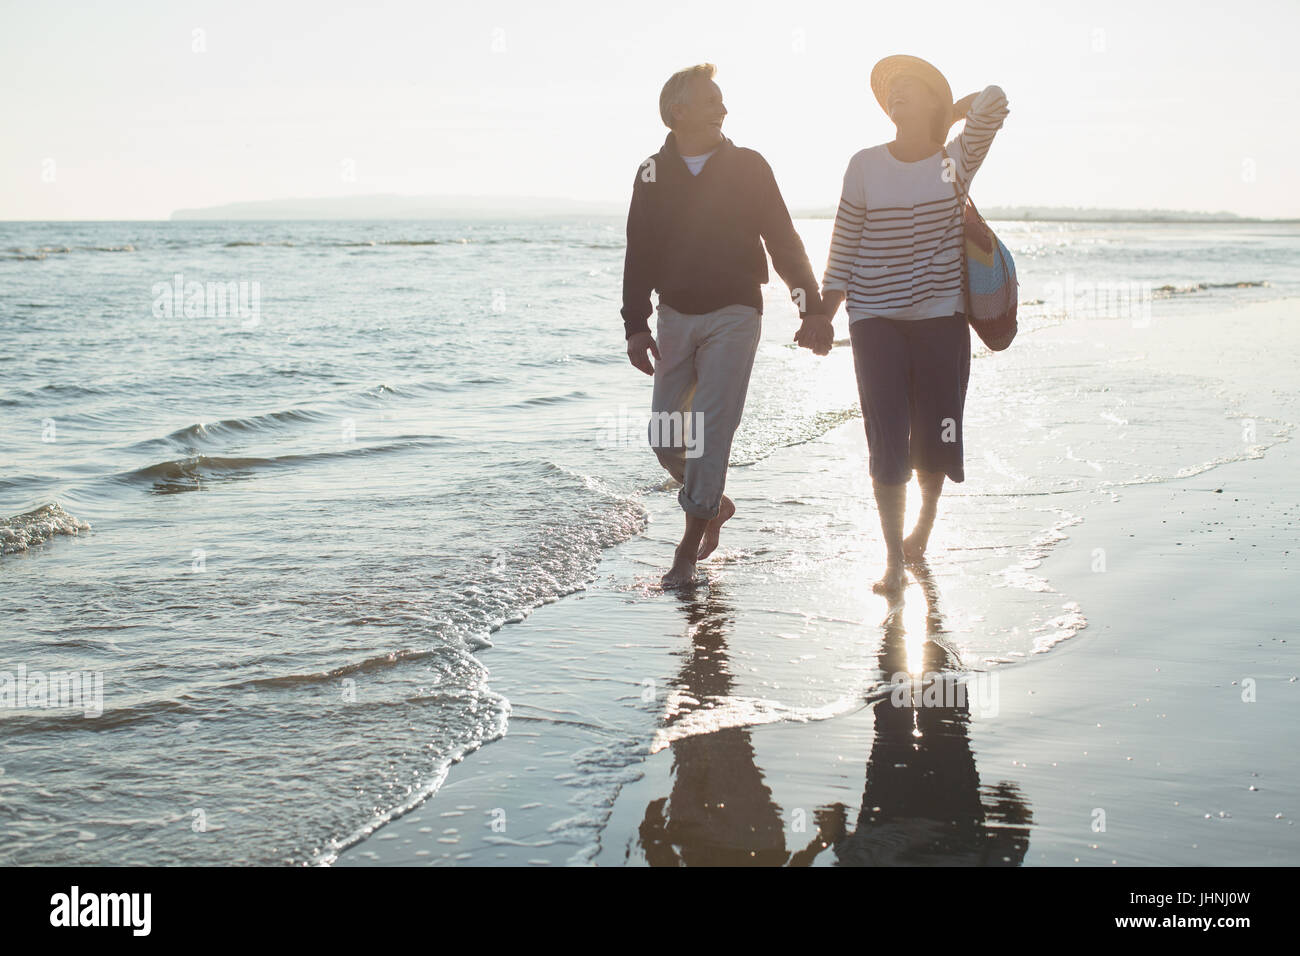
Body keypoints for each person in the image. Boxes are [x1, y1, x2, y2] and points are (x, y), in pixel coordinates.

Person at [622, 63, 833, 588]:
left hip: (736, 313)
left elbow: (783, 240)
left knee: (711, 432)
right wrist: (634, 323)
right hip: (673, 314)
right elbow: (639, 253)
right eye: (712, 99)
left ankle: (686, 554)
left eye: (722, 99)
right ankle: (712, 505)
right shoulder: (651, 172)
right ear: (679, 110)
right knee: (665, 437)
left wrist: (811, 308)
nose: (724, 107)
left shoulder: (749, 166)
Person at [820, 55, 1009, 596]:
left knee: (936, 432)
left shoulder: (956, 161)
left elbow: (994, 100)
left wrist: (946, 118)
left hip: (939, 319)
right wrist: (823, 314)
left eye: (910, 87)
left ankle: (923, 523)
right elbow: (843, 243)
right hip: (873, 317)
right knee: (886, 434)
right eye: (892, 90)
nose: (897, 94)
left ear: (932, 101)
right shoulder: (863, 165)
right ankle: (893, 561)